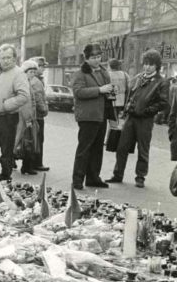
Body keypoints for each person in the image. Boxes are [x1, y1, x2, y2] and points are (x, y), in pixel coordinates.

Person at [106, 49, 169, 188]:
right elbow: (130, 94)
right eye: (145, 64)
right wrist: (126, 109)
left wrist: (147, 111)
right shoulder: (139, 77)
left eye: (151, 64)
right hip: (131, 117)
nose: (147, 67)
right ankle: (117, 174)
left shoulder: (161, 82)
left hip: (145, 120)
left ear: (156, 65)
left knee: (143, 148)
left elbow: (163, 103)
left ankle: (140, 177)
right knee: (122, 147)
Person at [0, 44, 30, 182]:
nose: (6, 60)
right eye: (3, 58)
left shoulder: (18, 73)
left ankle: (5, 179)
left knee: (6, 154)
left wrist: (5, 105)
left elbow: (24, 96)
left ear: (15, 58)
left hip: (8, 117)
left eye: (9, 57)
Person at [71, 43, 114, 190]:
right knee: (84, 149)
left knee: (97, 149)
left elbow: (107, 90)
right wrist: (100, 90)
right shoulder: (80, 73)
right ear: (87, 58)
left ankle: (93, 178)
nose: (97, 60)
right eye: (93, 57)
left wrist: (111, 92)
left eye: (98, 56)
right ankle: (77, 179)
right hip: (87, 116)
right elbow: (78, 92)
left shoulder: (104, 72)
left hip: (101, 115)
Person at [16, 60, 38, 175]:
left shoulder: (28, 83)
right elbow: (24, 103)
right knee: (26, 143)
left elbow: (32, 102)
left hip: (28, 118)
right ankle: (25, 167)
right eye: (30, 71)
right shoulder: (23, 84)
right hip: (23, 119)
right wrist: (28, 119)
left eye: (34, 72)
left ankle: (25, 166)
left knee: (26, 143)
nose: (32, 74)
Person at [29, 56, 50, 171]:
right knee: (38, 140)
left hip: (34, 115)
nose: (44, 69)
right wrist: (44, 109)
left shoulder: (34, 79)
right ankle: (37, 163)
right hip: (38, 116)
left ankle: (34, 163)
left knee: (35, 139)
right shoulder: (36, 81)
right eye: (42, 66)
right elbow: (38, 99)